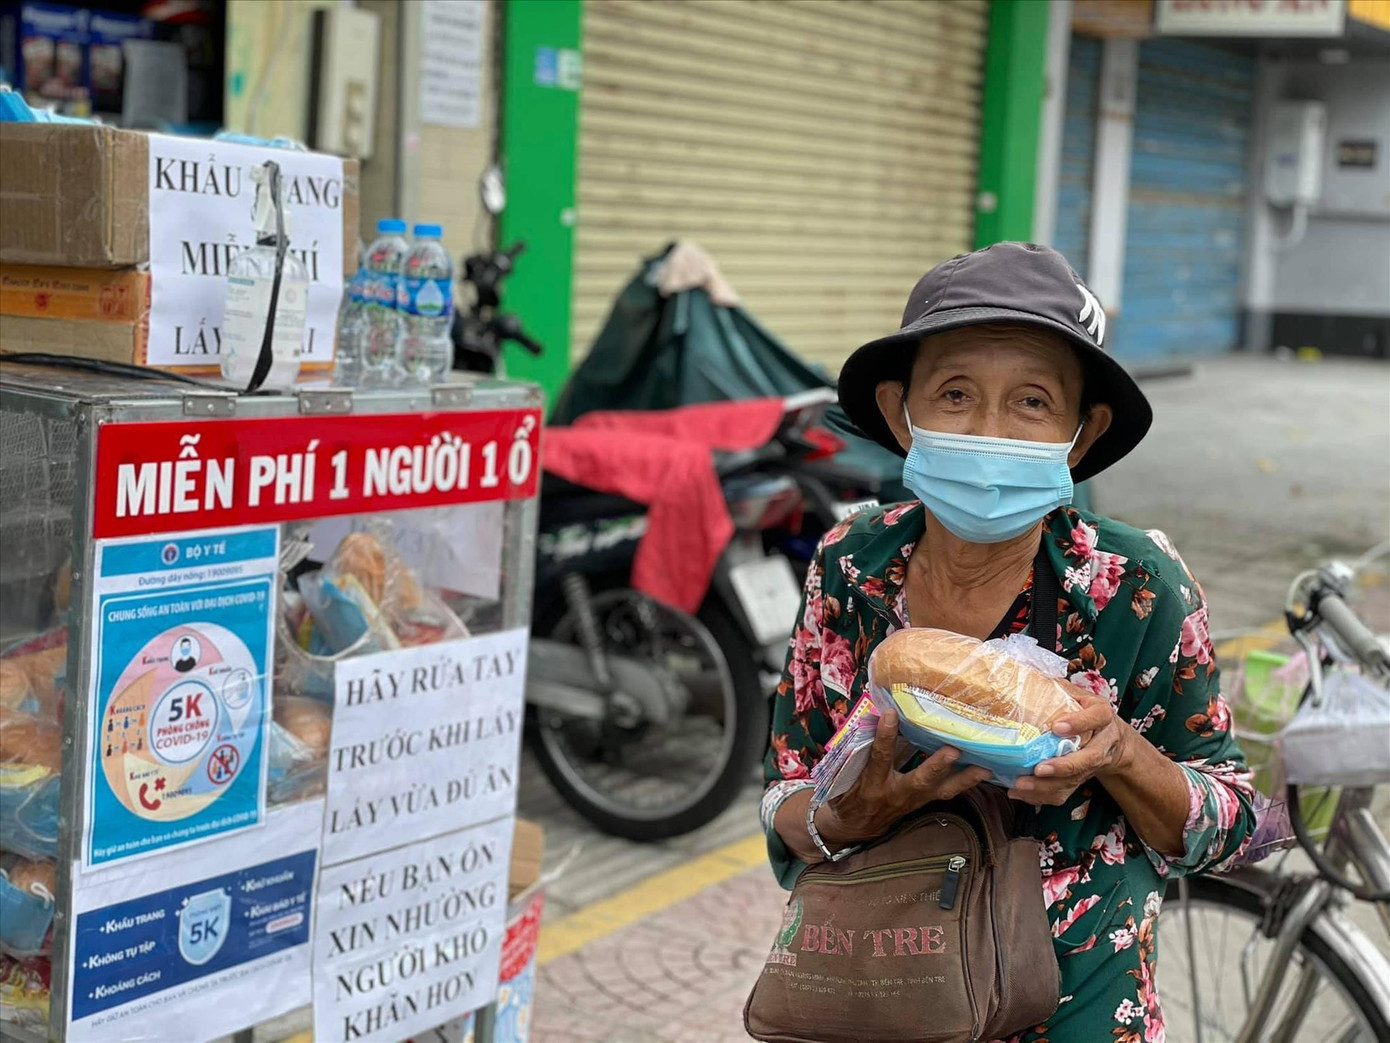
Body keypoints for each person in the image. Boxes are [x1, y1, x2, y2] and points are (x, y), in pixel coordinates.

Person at [761, 243, 1255, 1043]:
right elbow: (785, 785)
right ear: (900, 412)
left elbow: (1235, 821)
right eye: (955, 392)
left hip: (1078, 1007)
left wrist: (1121, 753)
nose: (989, 431)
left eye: (1031, 402)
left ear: (1081, 431)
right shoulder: (850, 564)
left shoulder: (1135, 584)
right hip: (881, 990)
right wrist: (850, 815)